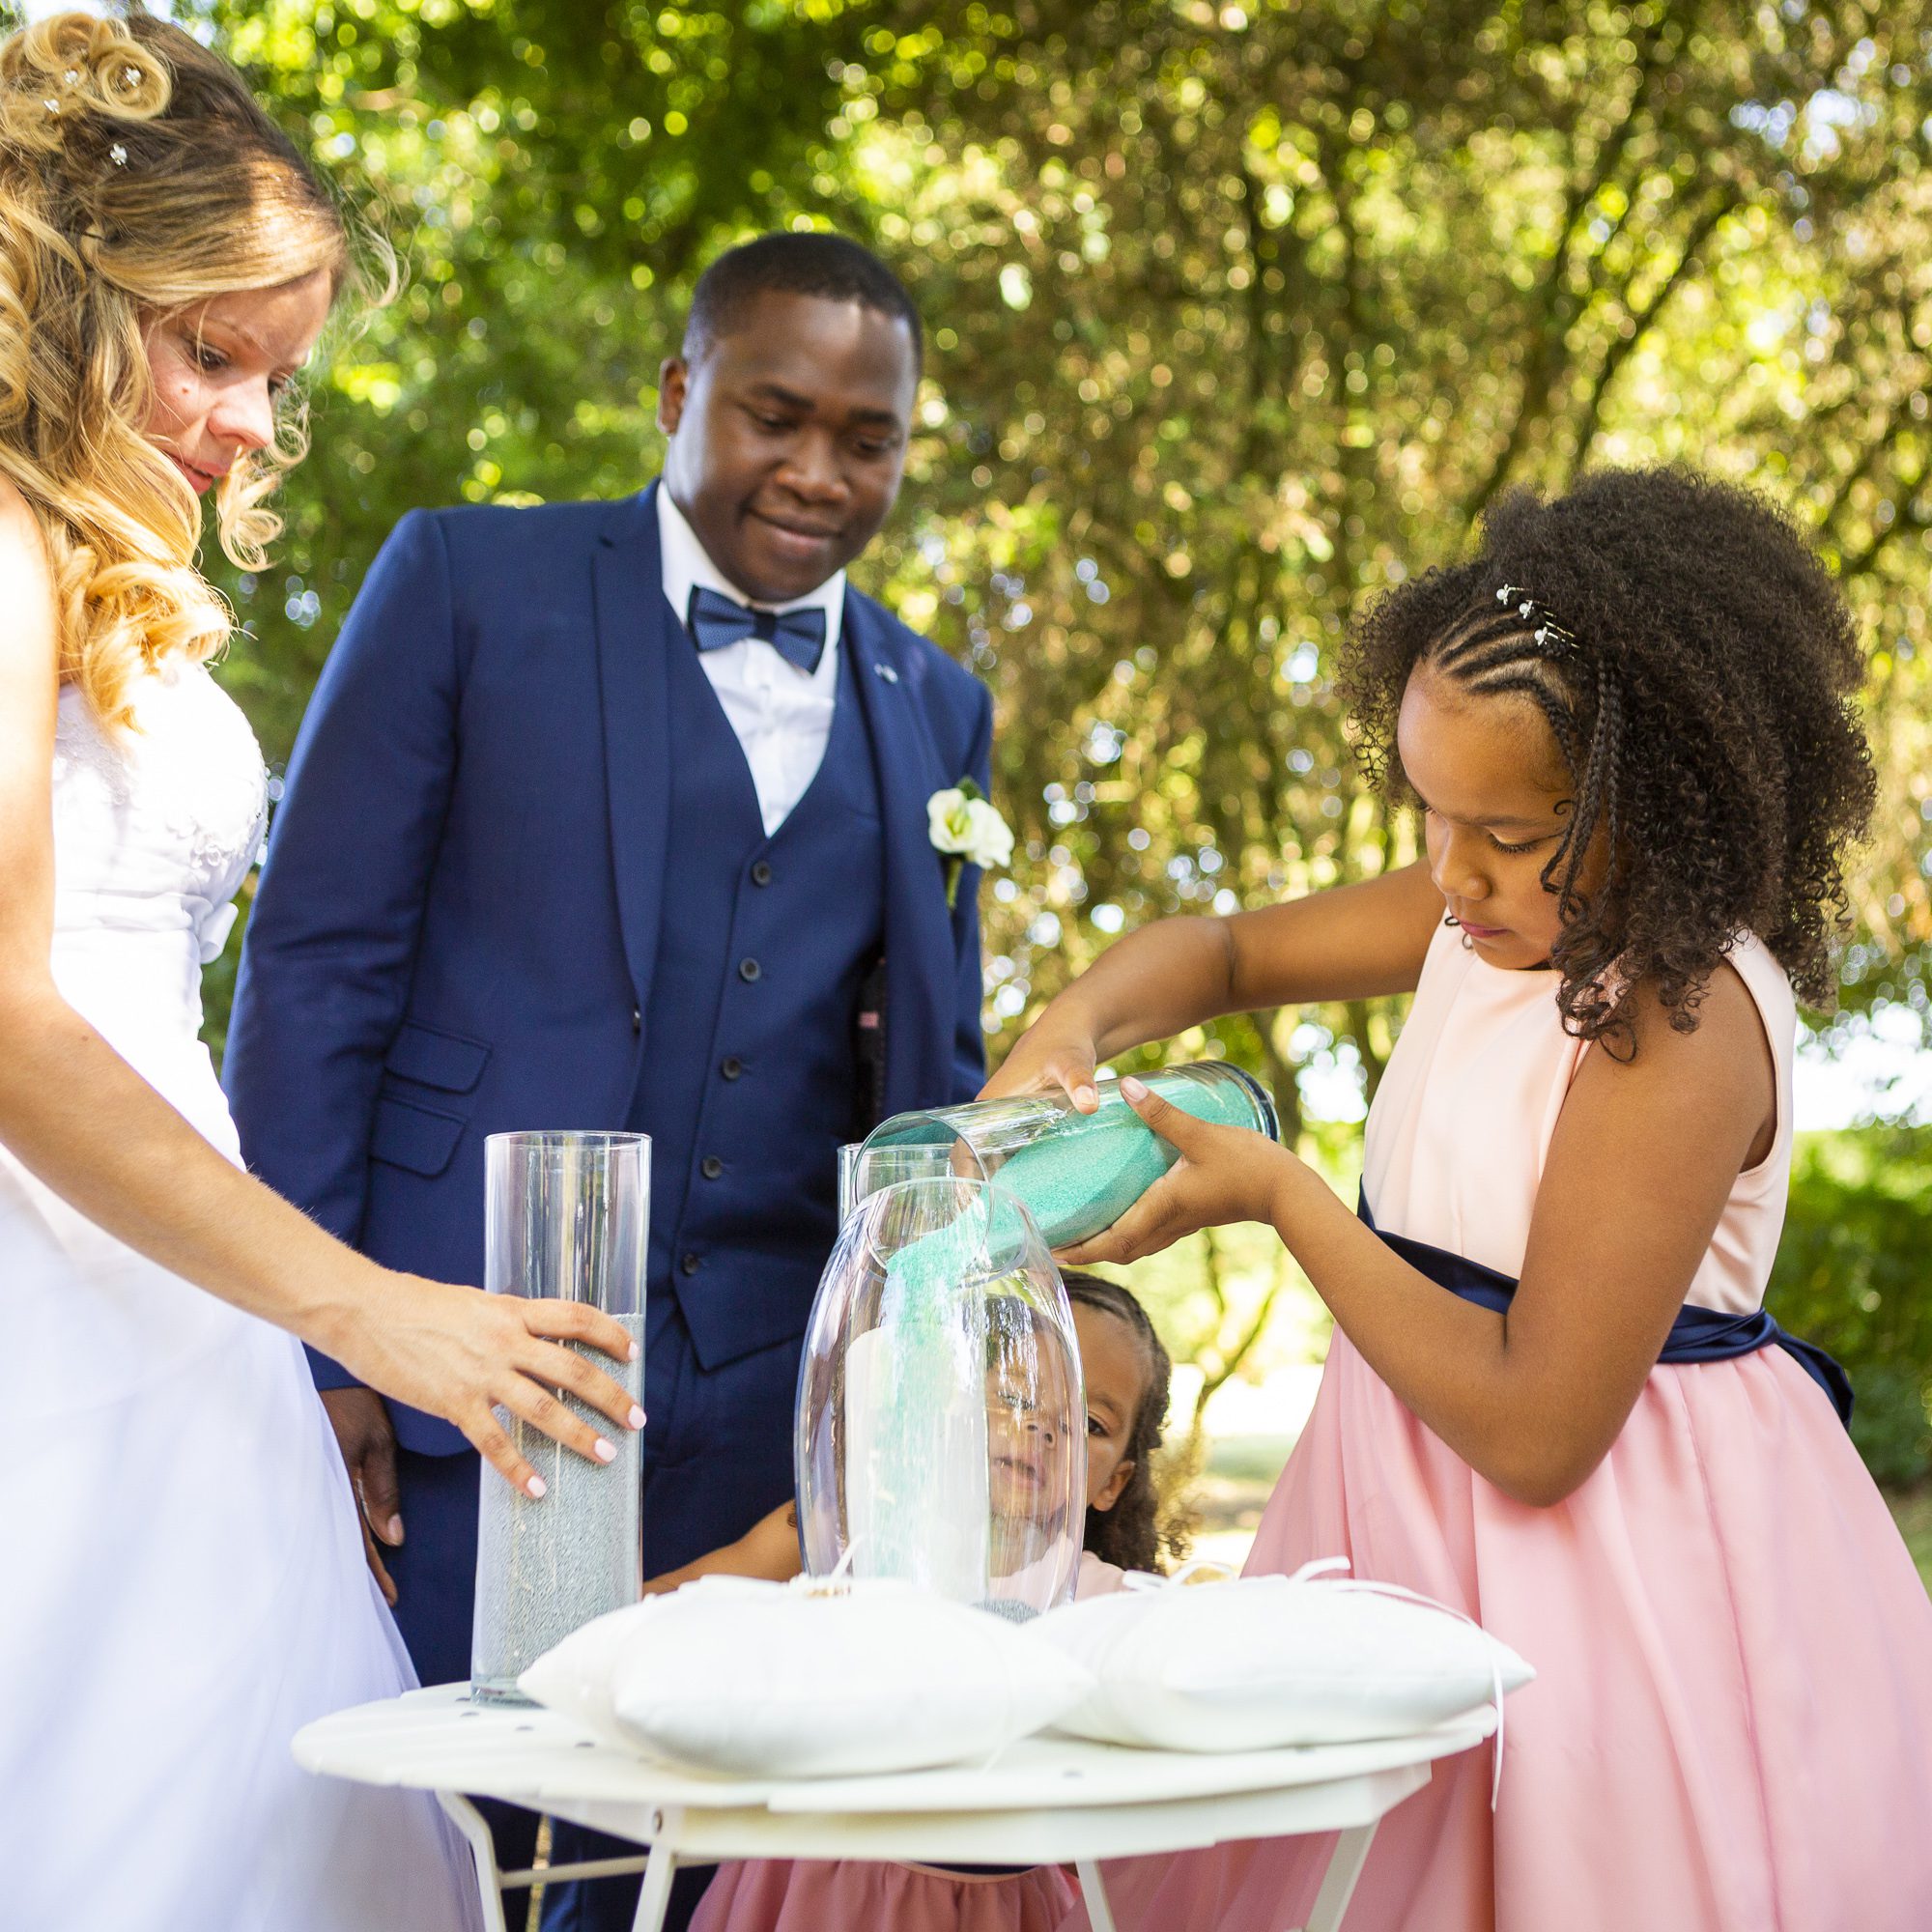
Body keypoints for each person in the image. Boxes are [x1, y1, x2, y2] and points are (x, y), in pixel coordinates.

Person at [989, 469, 1932, 1931]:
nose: (1450, 871)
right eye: (1430, 812)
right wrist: (1075, 1023)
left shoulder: (1677, 1016)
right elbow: (1227, 950)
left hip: (1614, 1569)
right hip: (1400, 1503)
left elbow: (1542, 1431)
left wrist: (1287, 1202)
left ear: (1660, 799)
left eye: (1507, 832)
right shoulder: (1471, 918)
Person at [223, 230, 996, 1925]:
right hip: (457, 1371)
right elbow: (317, 964)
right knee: (445, 1837)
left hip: (759, 1415)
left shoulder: (935, 705)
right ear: (677, 395)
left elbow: (931, 1093)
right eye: (774, 415)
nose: (817, 471)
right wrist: (324, 1338)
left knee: (681, 1871)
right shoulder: (463, 585)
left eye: (866, 438)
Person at [0, 15, 640, 1931]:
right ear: (60, 297)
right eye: (214, 353)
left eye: (277, 376)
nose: (254, 424)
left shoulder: (77, 557)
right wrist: (375, 1311)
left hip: (171, 1316)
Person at [682, 1273, 1177, 1932]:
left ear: (1112, 1482)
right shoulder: (859, 1533)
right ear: (956, 1402)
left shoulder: (1112, 1603)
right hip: (809, 1885)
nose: (1041, 1425)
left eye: (1088, 1420)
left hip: (996, 1906)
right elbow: (677, 1604)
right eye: (1011, 1394)